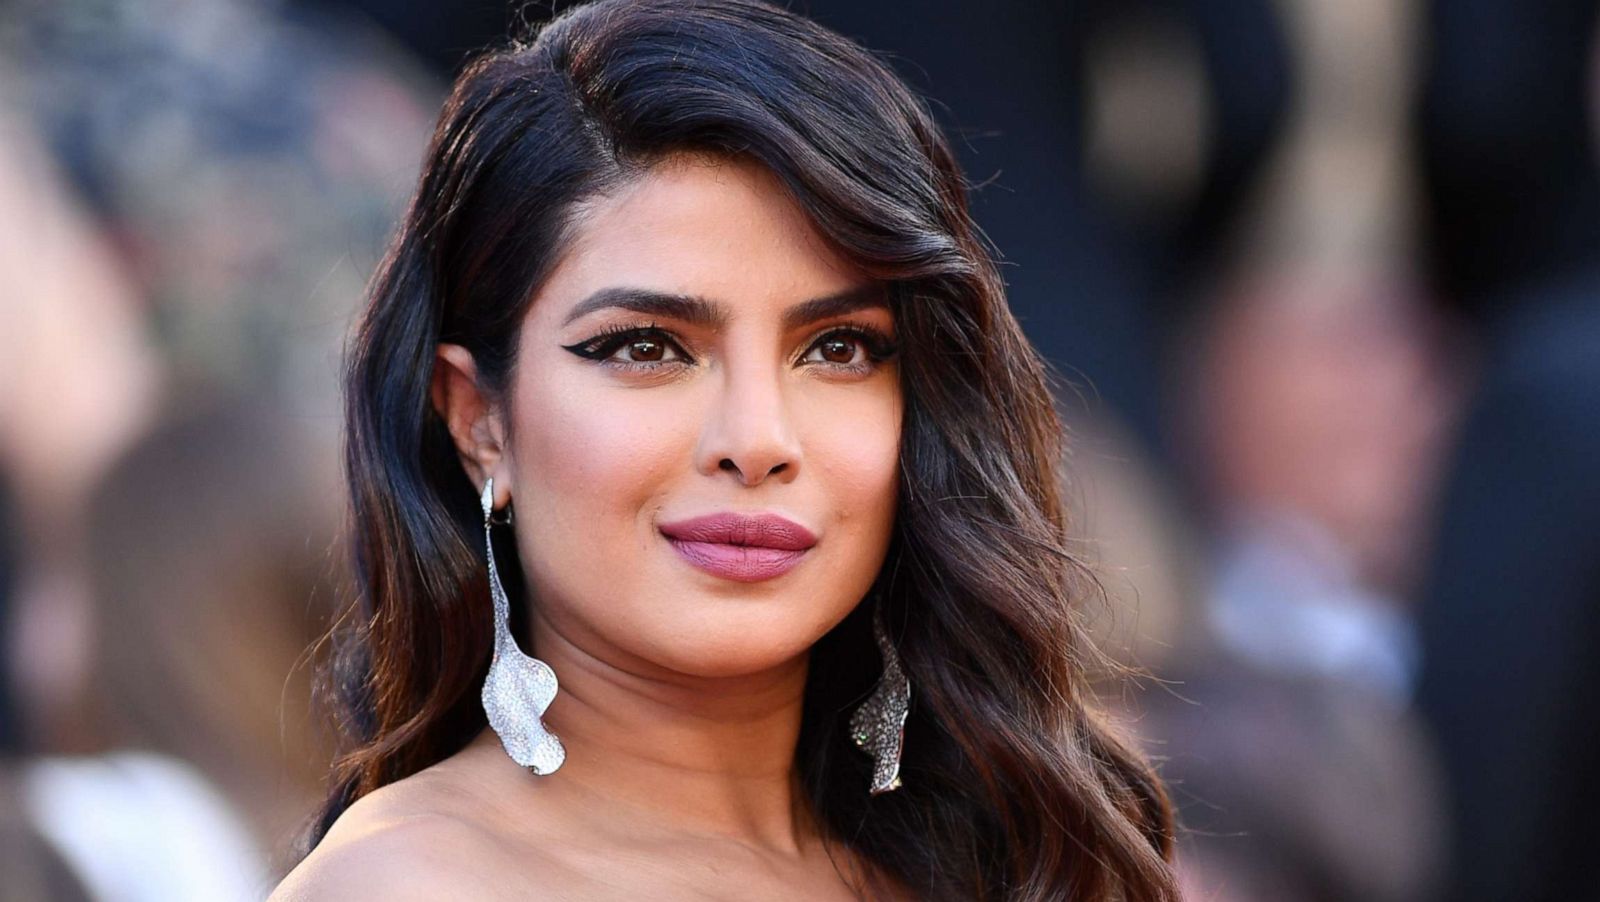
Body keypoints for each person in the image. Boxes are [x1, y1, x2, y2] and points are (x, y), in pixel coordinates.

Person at [270, 1, 1177, 899]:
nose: (757, 441)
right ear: (478, 422)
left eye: (839, 349)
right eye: (646, 348)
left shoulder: (1000, 861)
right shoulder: (410, 883)